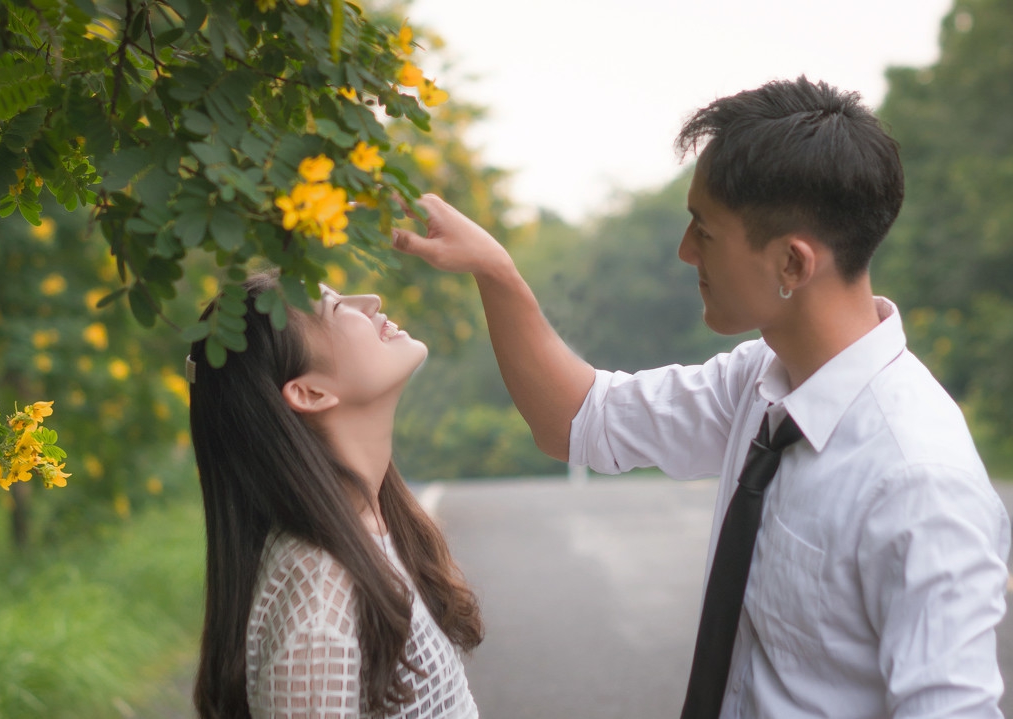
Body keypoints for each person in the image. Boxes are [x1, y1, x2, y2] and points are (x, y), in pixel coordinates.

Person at [392, 76, 1010, 717]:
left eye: (704, 231)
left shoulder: (918, 478)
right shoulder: (762, 380)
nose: (687, 252)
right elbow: (579, 420)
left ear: (793, 265)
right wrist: (495, 272)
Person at [188, 272, 483, 719]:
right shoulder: (321, 600)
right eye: (337, 308)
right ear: (310, 392)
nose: (371, 300)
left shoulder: (376, 530)